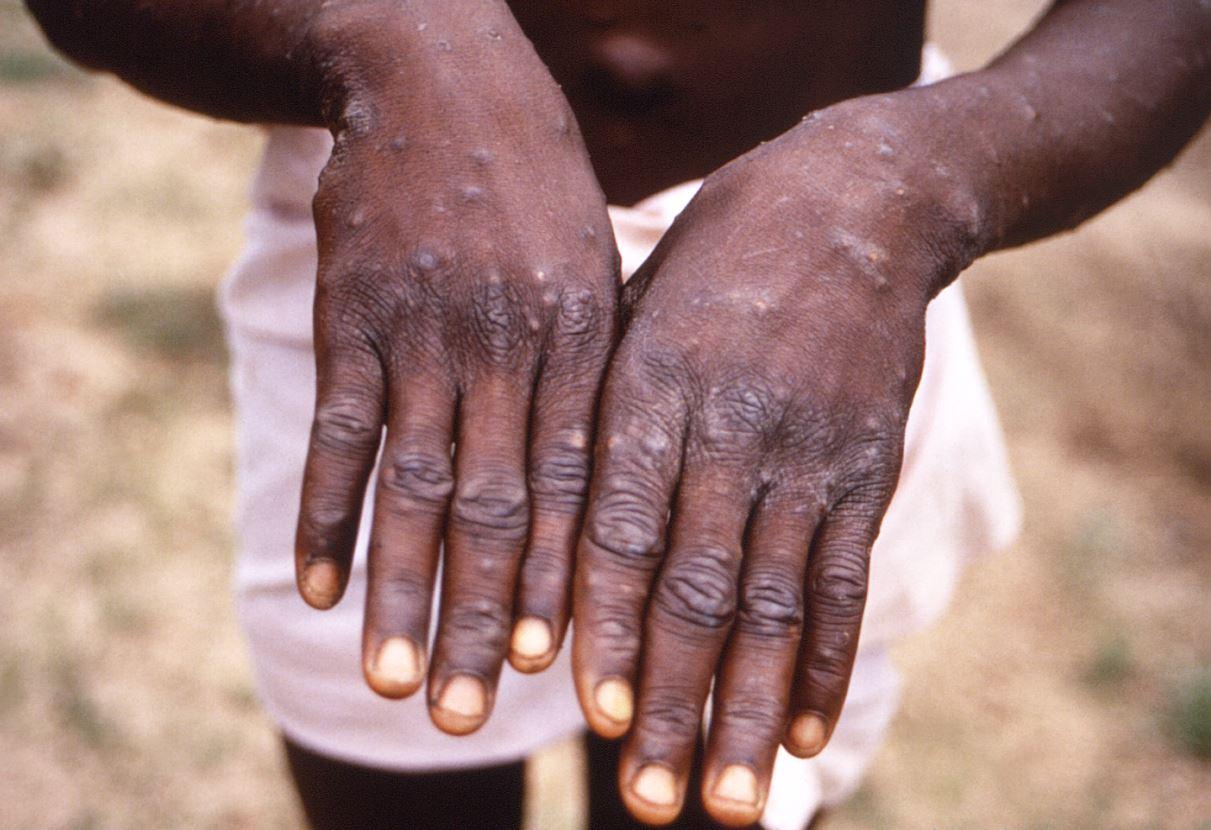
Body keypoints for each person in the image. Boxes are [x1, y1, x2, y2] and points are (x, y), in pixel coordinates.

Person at [24, 1, 1210, 827]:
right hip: (412, 217)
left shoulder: (870, 219)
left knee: (717, 780)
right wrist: (379, 34)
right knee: (385, 760)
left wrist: (908, 184)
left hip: (815, 284)